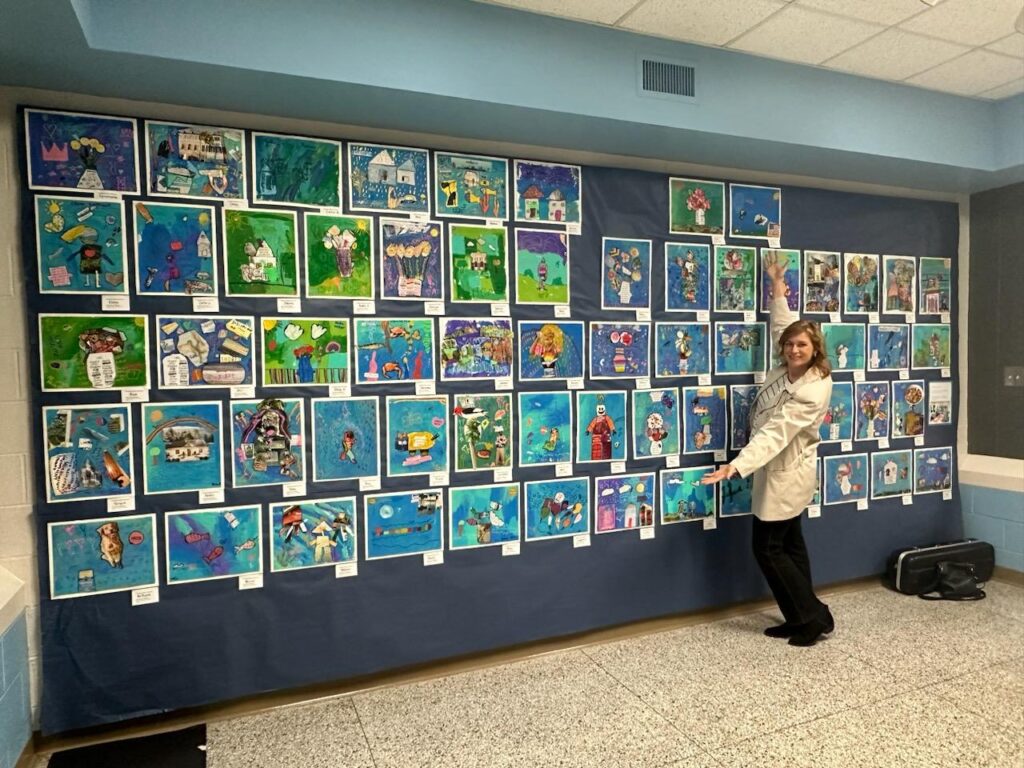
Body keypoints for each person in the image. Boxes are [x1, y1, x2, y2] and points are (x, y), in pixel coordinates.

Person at [702, 254, 835, 646]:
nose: (794, 349)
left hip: (785, 472)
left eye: (802, 345)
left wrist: (735, 466)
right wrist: (777, 284)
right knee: (790, 545)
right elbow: (783, 324)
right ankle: (803, 616)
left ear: (816, 349)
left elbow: (776, 433)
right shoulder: (789, 365)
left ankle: (812, 617)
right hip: (778, 469)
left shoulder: (812, 389)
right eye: (790, 345)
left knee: (768, 548)